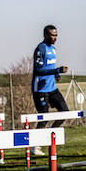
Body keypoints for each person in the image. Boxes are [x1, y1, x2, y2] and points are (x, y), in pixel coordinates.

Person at [30, 24, 68, 156]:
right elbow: (38, 70)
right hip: (40, 90)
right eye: (52, 35)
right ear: (46, 35)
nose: (55, 38)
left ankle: (48, 136)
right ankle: (35, 145)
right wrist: (57, 70)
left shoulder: (54, 49)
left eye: (56, 35)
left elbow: (50, 65)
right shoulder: (41, 49)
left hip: (52, 88)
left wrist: (56, 75)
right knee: (44, 117)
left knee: (65, 113)